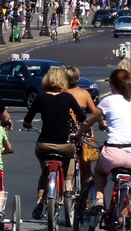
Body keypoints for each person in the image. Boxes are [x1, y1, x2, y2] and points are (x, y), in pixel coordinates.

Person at [81, 65, 131, 213]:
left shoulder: (108, 101)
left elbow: (89, 121)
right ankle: (122, 230)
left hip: (113, 154)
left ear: (111, 84)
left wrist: (78, 134)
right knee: (127, 187)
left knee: (100, 172)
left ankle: (99, 197)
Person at [22, 67, 87, 218]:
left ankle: (40, 201)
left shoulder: (40, 98)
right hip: (64, 144)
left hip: (44, 144)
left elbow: (27, 119)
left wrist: (27, 125)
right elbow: (82, 118)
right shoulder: (68, 98)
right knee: (70, 157)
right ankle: (69, 185)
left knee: (45, 171)